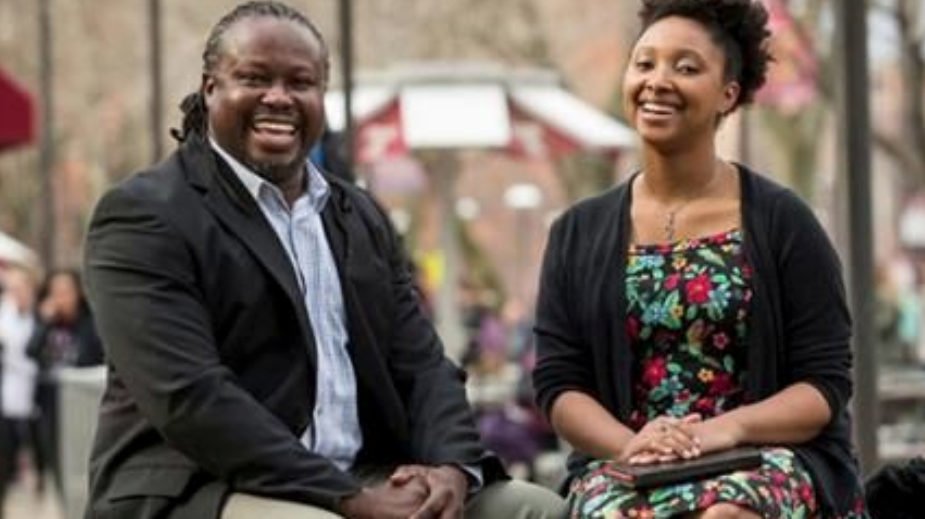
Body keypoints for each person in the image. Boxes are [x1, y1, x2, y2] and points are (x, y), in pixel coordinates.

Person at [82, 2, 566, 519]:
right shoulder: (144, 215)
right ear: (210, 89)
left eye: (301, 82)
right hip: (204, 485)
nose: (278, 97)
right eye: (253, 78)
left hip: (365, 473)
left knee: (530, 509)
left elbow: (422, 365)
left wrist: (450, 469)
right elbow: (191, 397)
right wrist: (347, 498)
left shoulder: (356, 214)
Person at [531, 1, 867, 517]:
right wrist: (630, 444)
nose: (658, 81)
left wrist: (724, 429)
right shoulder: (577, 232)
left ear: (727, 94)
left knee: (727, 515)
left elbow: (824, 384)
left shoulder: (783, 220)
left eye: (686, 67)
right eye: (644, 64)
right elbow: (559, 384)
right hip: (631, 462)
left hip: (765, 456)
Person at [26, 268, 103, 494]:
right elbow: (30, 350)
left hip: (82, 403)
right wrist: (45, 322)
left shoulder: (90, 323)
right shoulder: (46, 322)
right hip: (50, 404)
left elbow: (95, 358)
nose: (61, 297)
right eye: (55, 292)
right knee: (57, 462)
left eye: (66, 291)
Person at [0, 266, 40, 507]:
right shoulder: (4, 316)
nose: (17, 293)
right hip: (8, 396)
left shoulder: (41, 316)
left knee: (37, 452)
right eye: (12, 289)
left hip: (37, 396)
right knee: (7, 452)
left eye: (21, 288)